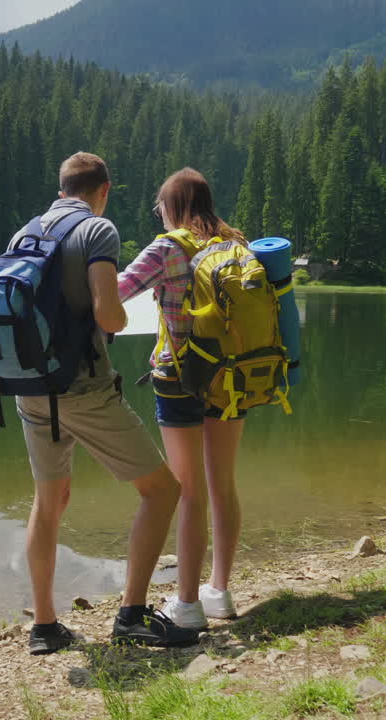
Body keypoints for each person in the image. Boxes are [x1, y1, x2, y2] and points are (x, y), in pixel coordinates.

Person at [15, 152, 198, 654]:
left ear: (60, 189)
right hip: (83, 388)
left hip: (28, 387)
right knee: (161, 490)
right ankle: (132, 616)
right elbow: (109, 316)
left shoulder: (27, 232)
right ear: (105, 190)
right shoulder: (99, 231)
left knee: (48, 501)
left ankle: (45, 627)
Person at [117, 167, 248, 631]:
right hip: (232, 376)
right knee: (222, 485)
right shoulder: (237, 245)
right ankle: (220, 592)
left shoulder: (167, 247)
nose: (159, 214)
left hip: (180, 378)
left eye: (160, 207)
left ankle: (188, 604)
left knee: (188, 491)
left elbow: (115, 294)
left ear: (172, 207)